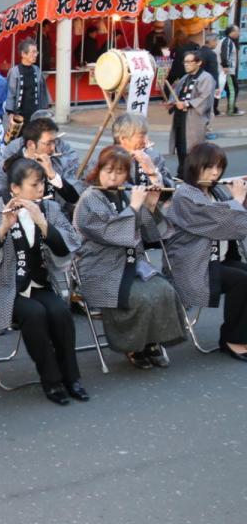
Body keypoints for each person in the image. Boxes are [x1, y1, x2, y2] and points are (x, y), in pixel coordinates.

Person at [0, 158, 88, 404]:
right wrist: (3, 229)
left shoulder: (49, 208)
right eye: (34, 185)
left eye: (42, 183)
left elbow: (70, 243)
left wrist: (42, 222)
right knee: (35, 314)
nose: (40, 189)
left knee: (60, 313)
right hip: (3, 288)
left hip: (39, 282)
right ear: (15, 188)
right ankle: (51, 380)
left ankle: (71, 377)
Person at [75, 147, 187, 370]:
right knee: (138, 298)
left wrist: (150, 204)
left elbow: (149, 234)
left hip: (133, 263)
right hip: (102, 267)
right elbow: (112, 233)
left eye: (119, 172)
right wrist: (135, 206)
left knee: (165, 290)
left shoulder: (126, 194)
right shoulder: (89, 199)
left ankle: (152, 341)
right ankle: (134, 346)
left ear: (127, 174)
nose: (113, 177)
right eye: (108, 171)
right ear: (98, 170)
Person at [164, 143, 247, 362]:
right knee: (242, 281)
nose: (215, 173)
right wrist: (237, 201)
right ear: (195, 165)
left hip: (215, 260)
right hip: (193, 266)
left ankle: (241, 333)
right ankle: (232, 339)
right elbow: (218, 224)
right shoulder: (184, 196)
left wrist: (243, 198)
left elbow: (238, 225)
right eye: (209, 167)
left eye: (219, 167)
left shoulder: (215, 191)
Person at [0, 117, 82, 214]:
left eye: (55, 142)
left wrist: (52, 175)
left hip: (53, 217)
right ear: (31, 144)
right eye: (48, 143)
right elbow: (1, 202)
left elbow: (73, 198)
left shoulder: (55, 162)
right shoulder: (7, 167)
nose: (53, 148)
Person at [167, 49, 216, 176]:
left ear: (199, 62)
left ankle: (192, 175)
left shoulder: (206, 78)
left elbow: (205, 98)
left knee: (193, 149)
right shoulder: (184, 78)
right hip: (180, 117)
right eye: (185, 62)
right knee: (180, 146)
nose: (186, 64)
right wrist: (172, 102)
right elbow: (176, 94)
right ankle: (182, 173)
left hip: (194, 119)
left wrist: (186, 104)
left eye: (189, 62)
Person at [110, 112, 172, 187]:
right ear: (123, 139)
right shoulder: (108, 159)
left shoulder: (153, 156)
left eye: (146, 135)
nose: (146, 141)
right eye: (141, 136)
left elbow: (169, 188)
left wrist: (153, 173)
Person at [4, 40, 51, 137]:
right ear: (23, 54)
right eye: (33, 52)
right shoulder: (15, 71)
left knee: (35, 138)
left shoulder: (37, 70)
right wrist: (10, 113)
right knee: (18, 140)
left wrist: (45, 110)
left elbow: (43, 91)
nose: (36, 55)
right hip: (20, 116)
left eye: (36, 52)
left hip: (35, 114)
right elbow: (10, 93)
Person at [219, 25, 240, 116]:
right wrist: (225, 66)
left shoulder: (227, 40)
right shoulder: (228, 41)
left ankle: (232, 108)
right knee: (233, 90)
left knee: (231, 89)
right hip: (228, 71)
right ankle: (231, 110)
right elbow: (225, 53)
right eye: (237, 31)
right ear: (232, 32)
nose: (239, 33)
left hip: (228, 70)